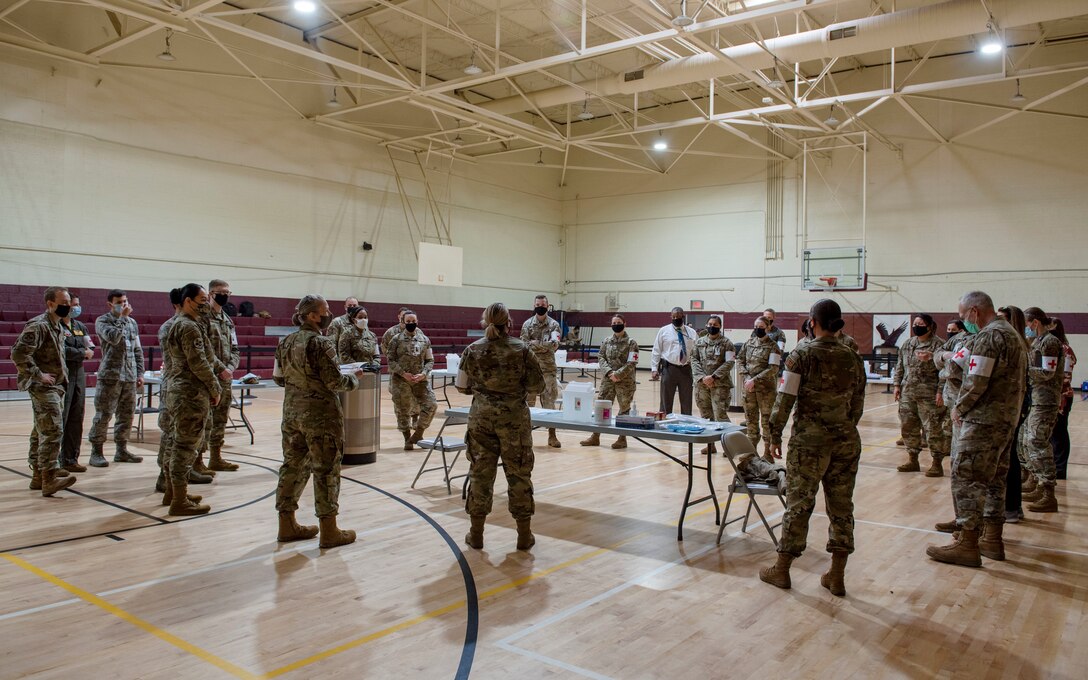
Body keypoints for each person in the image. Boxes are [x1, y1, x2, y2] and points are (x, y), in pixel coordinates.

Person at [759, 299, 866, 596]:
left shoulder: (801, 355)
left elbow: (785, 400)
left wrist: (774, 434)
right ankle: (837, 574)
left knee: (799, 504)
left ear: (812, 322)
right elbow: (858, 401)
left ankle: (781, 570)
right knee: (842, 505)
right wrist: (844, 426)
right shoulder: (852, 356)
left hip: (809, 442)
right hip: (845, 441)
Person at [927, 291, 1025, 567]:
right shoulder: (1011, 334)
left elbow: (976, 379)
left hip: (984, 420)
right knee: (994, 480)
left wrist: (961, 407)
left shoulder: (990, 336)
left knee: (967, 476)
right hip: (1005, 419)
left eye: (963, 316)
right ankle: (992, 539)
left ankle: (967, 543)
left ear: (974, 311)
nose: (963, 321)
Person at [273, 295, 362, 548]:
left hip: (292, 414)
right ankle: (329, 529)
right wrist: (354, 377)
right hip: (321, 416)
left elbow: (278, 378)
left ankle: (286, 524)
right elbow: (335, 382)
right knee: (326, 470)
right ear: (312, 315)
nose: (328, 314)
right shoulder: (320, 343)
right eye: (325, 310)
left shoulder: (285, 342)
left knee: (292, 466)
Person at [456, 302, 545, 551]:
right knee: (518, 475)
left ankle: (476, 534)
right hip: (514, 422)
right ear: (510, 323)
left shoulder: (472, 350)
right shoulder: (522, 350)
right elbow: (538, 387)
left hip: (481, 420)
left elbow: (462, 387)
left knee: (480, 475)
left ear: (485, 323)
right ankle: (524, 535)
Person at [161, 284, 222, 516]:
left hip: (180, 390)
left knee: (175, 443)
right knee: (185, 446)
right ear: (188, 301)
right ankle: (179, 500)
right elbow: (199, 363)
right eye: (202, 299)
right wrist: (215, 388)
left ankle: (174, 492)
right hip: (190, 393)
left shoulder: (182, 324)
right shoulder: (188, 327)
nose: (206, 304)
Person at [12, 287, 78, 497]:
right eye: (63, 302)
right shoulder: (38, 326)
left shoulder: (56, 325)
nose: (68, 306)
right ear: (50, 303)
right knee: (52, 430)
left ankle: (38, 475)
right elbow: (18, 354)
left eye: (69, 302)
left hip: (56, 386)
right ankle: (48, 479)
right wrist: (39, 375)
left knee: (40, 429)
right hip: (43, 387)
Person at [155, 288, 212, 494]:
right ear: (183, 302)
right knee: (173, 434)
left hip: (184, 386)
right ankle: (166, 477)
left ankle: (180, 477)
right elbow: (193, 361)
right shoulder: (176, 326)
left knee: (184, 436)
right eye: (202, 300)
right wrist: (214, 386)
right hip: (179, 387)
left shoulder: (192, 323)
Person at [88, 289, 144, 466]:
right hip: (110, 376)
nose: (124, 305)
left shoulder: (132, 322)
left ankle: (122, 450)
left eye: (125, 301)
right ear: (110, 304)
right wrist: (121, 319)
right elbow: (113, 337)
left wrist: (140, 372)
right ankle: (96, 452)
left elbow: (137, 349)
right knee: (104, 414)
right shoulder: (103, 321)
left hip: (129, 376)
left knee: (126, 415)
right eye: (120, 302)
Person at [1019, 307, 1063, 513]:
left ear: (1035, 322)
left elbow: (1046, 372)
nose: (1026, 329)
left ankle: (1048, 493)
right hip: (1036, 399)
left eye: (1027, 325)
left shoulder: (1050, 343)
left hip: (1046, 401)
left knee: (1037, 441)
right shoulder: (1037, 342)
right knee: (1026, 439)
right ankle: (1036, 482)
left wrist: (1024, 368)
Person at [892, 314, 949, 476]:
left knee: (933, 429)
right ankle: (912, 459)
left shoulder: (939, 345)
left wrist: (940, 392)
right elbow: (900, 366)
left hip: (930, 396)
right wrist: (896, 385)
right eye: (915, 323)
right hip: (908, 394)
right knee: (909, 427)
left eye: (921, 323)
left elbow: (945, 372)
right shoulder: (908, 344)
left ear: (929, 326)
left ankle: (937, 463)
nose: (917, 326)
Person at [581, 314, 638, 450]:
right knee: (601, 407)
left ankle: (622, 438)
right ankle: (595, 437)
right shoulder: (607, 341)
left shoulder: (631, 342)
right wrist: (609, 372)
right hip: (608, 380)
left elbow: (632, 362)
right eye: (614, 322)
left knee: (624, 409)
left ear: (625, 324)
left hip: (625, 381)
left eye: (619, 322)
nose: (616, 324)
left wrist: (618, 374)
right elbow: (601, 356)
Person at [201, 279, 241, 472]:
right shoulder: (202, 317)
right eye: (220, 292)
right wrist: (220, 369)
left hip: (225, 378)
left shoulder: (227, 320)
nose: (224, 295)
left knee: (221, 420)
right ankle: (198, 461)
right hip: (207, 378)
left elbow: (235, 349)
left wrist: (230, 369)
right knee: (204, 420)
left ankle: (216, 457)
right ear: (210, 293)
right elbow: (203, 352)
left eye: (227, 292)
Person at [387, 310, 437, 450]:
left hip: (420, 380)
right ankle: (407, 438)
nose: (411, 324)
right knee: (403, 409)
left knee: (431, 404)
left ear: (417, 322)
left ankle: (419, 433)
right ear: (402, 322)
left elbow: (429, 360)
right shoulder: (395, 339)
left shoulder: (424, 339)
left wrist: (424, 373)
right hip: (401, 380)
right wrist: (403, 373)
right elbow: (390, 360)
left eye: (413, 321)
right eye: (407, 321)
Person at [737, 315, 782, 461]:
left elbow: (773, 368)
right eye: (756, 327)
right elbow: (740, 361)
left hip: (766, 391)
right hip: (749, 390)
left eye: (761, 328)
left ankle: (768, 453)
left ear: (768, 328)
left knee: (767, 422)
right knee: (751, 420)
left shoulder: (773, 347)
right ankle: (751, 451)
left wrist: (755, 380)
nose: (758, 330)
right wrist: (747, 378)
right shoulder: (748, 343)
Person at [57, 295, 94, 472]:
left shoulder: (80, 326)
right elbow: (62, 351)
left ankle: (71, 459)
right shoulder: (56, 326)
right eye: (74, 305)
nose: (77, 308)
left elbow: (91, 348)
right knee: (60, 418)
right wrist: (81, 352)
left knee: (76, 416)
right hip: (62, 374)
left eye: (78, 305)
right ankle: (55, 462)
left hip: (79, 374)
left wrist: (83, 352)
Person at [521, 295, 563, 448]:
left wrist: (536, 343)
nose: (540, 306)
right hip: (530, 369)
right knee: (527, 404)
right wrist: (543, 345)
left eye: (543, 304)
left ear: (548, 306)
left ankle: (552, 436)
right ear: (534, 305)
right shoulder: (527, 324)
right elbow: (524, 345)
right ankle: (526, 437)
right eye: (538, 304)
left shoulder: (554, 324)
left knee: (549, 403)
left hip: (548, 370)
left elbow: (554, 345)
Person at [691, 315, 735, 454]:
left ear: (720, 326)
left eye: (715, 324)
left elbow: (729, 362)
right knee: (705, 416)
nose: (712, 326)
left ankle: (729, 446)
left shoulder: (727, 343)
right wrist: (703, 377)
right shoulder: (699, 342)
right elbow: (694, 359)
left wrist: (713, 377)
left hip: (720, 385)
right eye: (710, 324)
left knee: (720, 416)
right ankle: (710, 445)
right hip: (701, 384)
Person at [651, 307, 698, 415]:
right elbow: (656, 350)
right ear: (671, 317)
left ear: (683, 316)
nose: (676, 318)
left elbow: (696, 352)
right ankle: (664, 425)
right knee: (665, 401)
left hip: (686, 369)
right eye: (673, 317)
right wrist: (654, 369)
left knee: (686, 401)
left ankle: (686, 425)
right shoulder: (663, 331)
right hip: (669, 369)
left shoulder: (692, 332)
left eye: (678, 316)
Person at [1048, 318, 1076, 481]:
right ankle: (1053, 464)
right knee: (1051, 434)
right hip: (1052, 396)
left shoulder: (1065, 350)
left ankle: (1060, 468)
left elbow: (1065, 377)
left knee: (1059, 433)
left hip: (1062, 396)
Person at [382, 306, 418, 425]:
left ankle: (414, 418)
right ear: (400, 318)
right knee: (398, 398)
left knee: (414, 396)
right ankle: (402, 421)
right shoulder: (391, 332)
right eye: (404, 317)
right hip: (397, 371)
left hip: (413, 371)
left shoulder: (419, 332)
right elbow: (385, 348)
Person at [337, 306, 381, 370]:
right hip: (353, 372)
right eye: (360, 317)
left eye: (365, 317)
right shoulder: (346, 335)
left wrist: (374, 365)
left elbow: (376, 355)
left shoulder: (372, 335)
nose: (363, 320)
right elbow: (344, 356)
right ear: (354, 320)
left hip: (370, 372)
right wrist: (359, 367)